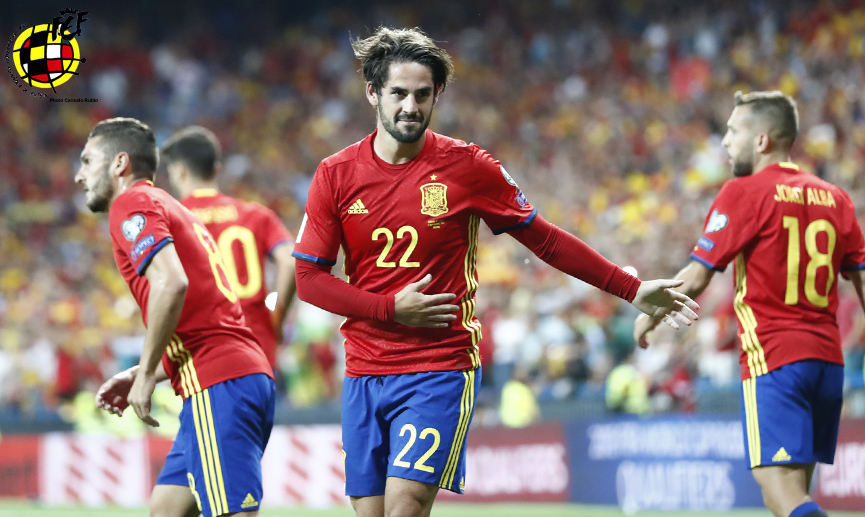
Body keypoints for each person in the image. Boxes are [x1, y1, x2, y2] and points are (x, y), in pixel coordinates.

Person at [292, 27, 700, 517]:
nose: (410, 107)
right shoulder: (334, 175)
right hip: (364, 371)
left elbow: (545, 239)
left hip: (438, 365)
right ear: (372, 93)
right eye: (398, 93)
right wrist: (388, 308)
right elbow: (308, 279)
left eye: (423, 95)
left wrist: (630, 288)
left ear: (437, 94)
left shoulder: (467, 166)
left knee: (404, 508)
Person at [634, 91, 865, 517]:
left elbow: (699, 275)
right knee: (797, 490)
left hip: (774, 359)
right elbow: (861, 279)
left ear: (761, 141)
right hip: (828, 363)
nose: (724, 141)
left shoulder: (744, 192)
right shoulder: (837, 198)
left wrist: (649, 312)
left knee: (780, 492)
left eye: (733, 131)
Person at [76, 117, 275, 517]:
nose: (78, 175)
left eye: (86, 162)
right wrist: (143, 371)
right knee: (165, 511)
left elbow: (172, 284)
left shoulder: (130, 203)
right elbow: (204, 318)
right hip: (225, 376)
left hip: (217, 383)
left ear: (119, 164)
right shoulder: (171, 205)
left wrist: (148, 372)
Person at [161, 126, 297, 372]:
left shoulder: (170, 220)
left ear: (179, 171)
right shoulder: (256, 214)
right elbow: (291, 262)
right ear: (216, 169)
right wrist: (276, 316)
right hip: (258, 347)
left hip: (206, 352)